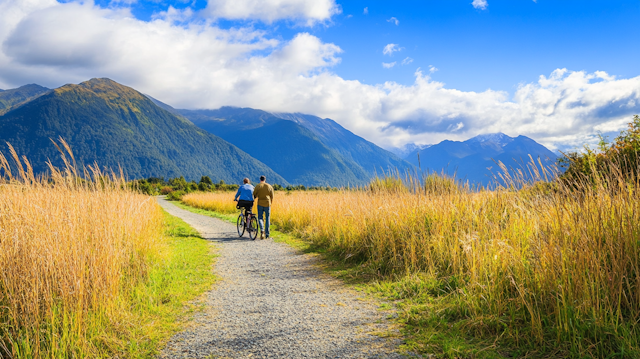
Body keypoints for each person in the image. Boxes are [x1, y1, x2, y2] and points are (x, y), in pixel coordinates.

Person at [253, 175, 274, 239]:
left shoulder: (258, 186)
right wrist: (270, 203)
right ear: (265, 179)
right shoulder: (269, 186)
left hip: (260, 203)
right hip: (267, 203)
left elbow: (254, 195)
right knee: (267, 218)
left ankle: (262, 231)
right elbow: (272, 196)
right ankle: (267, 234)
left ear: (260, 179)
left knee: (260, 217)